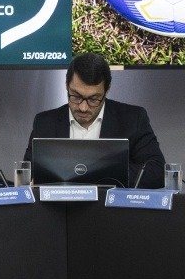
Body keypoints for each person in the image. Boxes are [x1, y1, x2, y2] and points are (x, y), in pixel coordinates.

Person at [23, 53, 165, 189]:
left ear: (106, 90)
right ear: (66, 86)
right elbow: (27, 174)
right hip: (59, 205)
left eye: (93, 99)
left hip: (112, 205)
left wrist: (103, 172)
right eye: (76, 96)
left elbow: (158, 172)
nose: (83, 108)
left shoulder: (133, 119)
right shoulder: (44, 123)